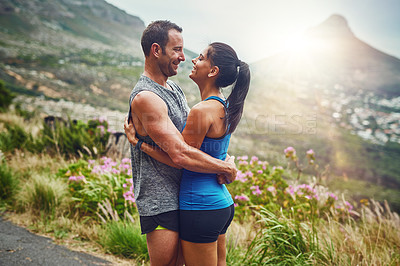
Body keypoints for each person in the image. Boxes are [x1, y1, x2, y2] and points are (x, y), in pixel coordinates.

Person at [125, 42, 250, 265]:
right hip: (222, 203)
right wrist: (227, 165)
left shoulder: (201, 111)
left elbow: (181, 158)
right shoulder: (224, 106)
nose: (193, 60)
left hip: (200, 204)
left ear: (213, 71)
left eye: (201, 58)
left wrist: (139, 144)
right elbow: (214, 151)